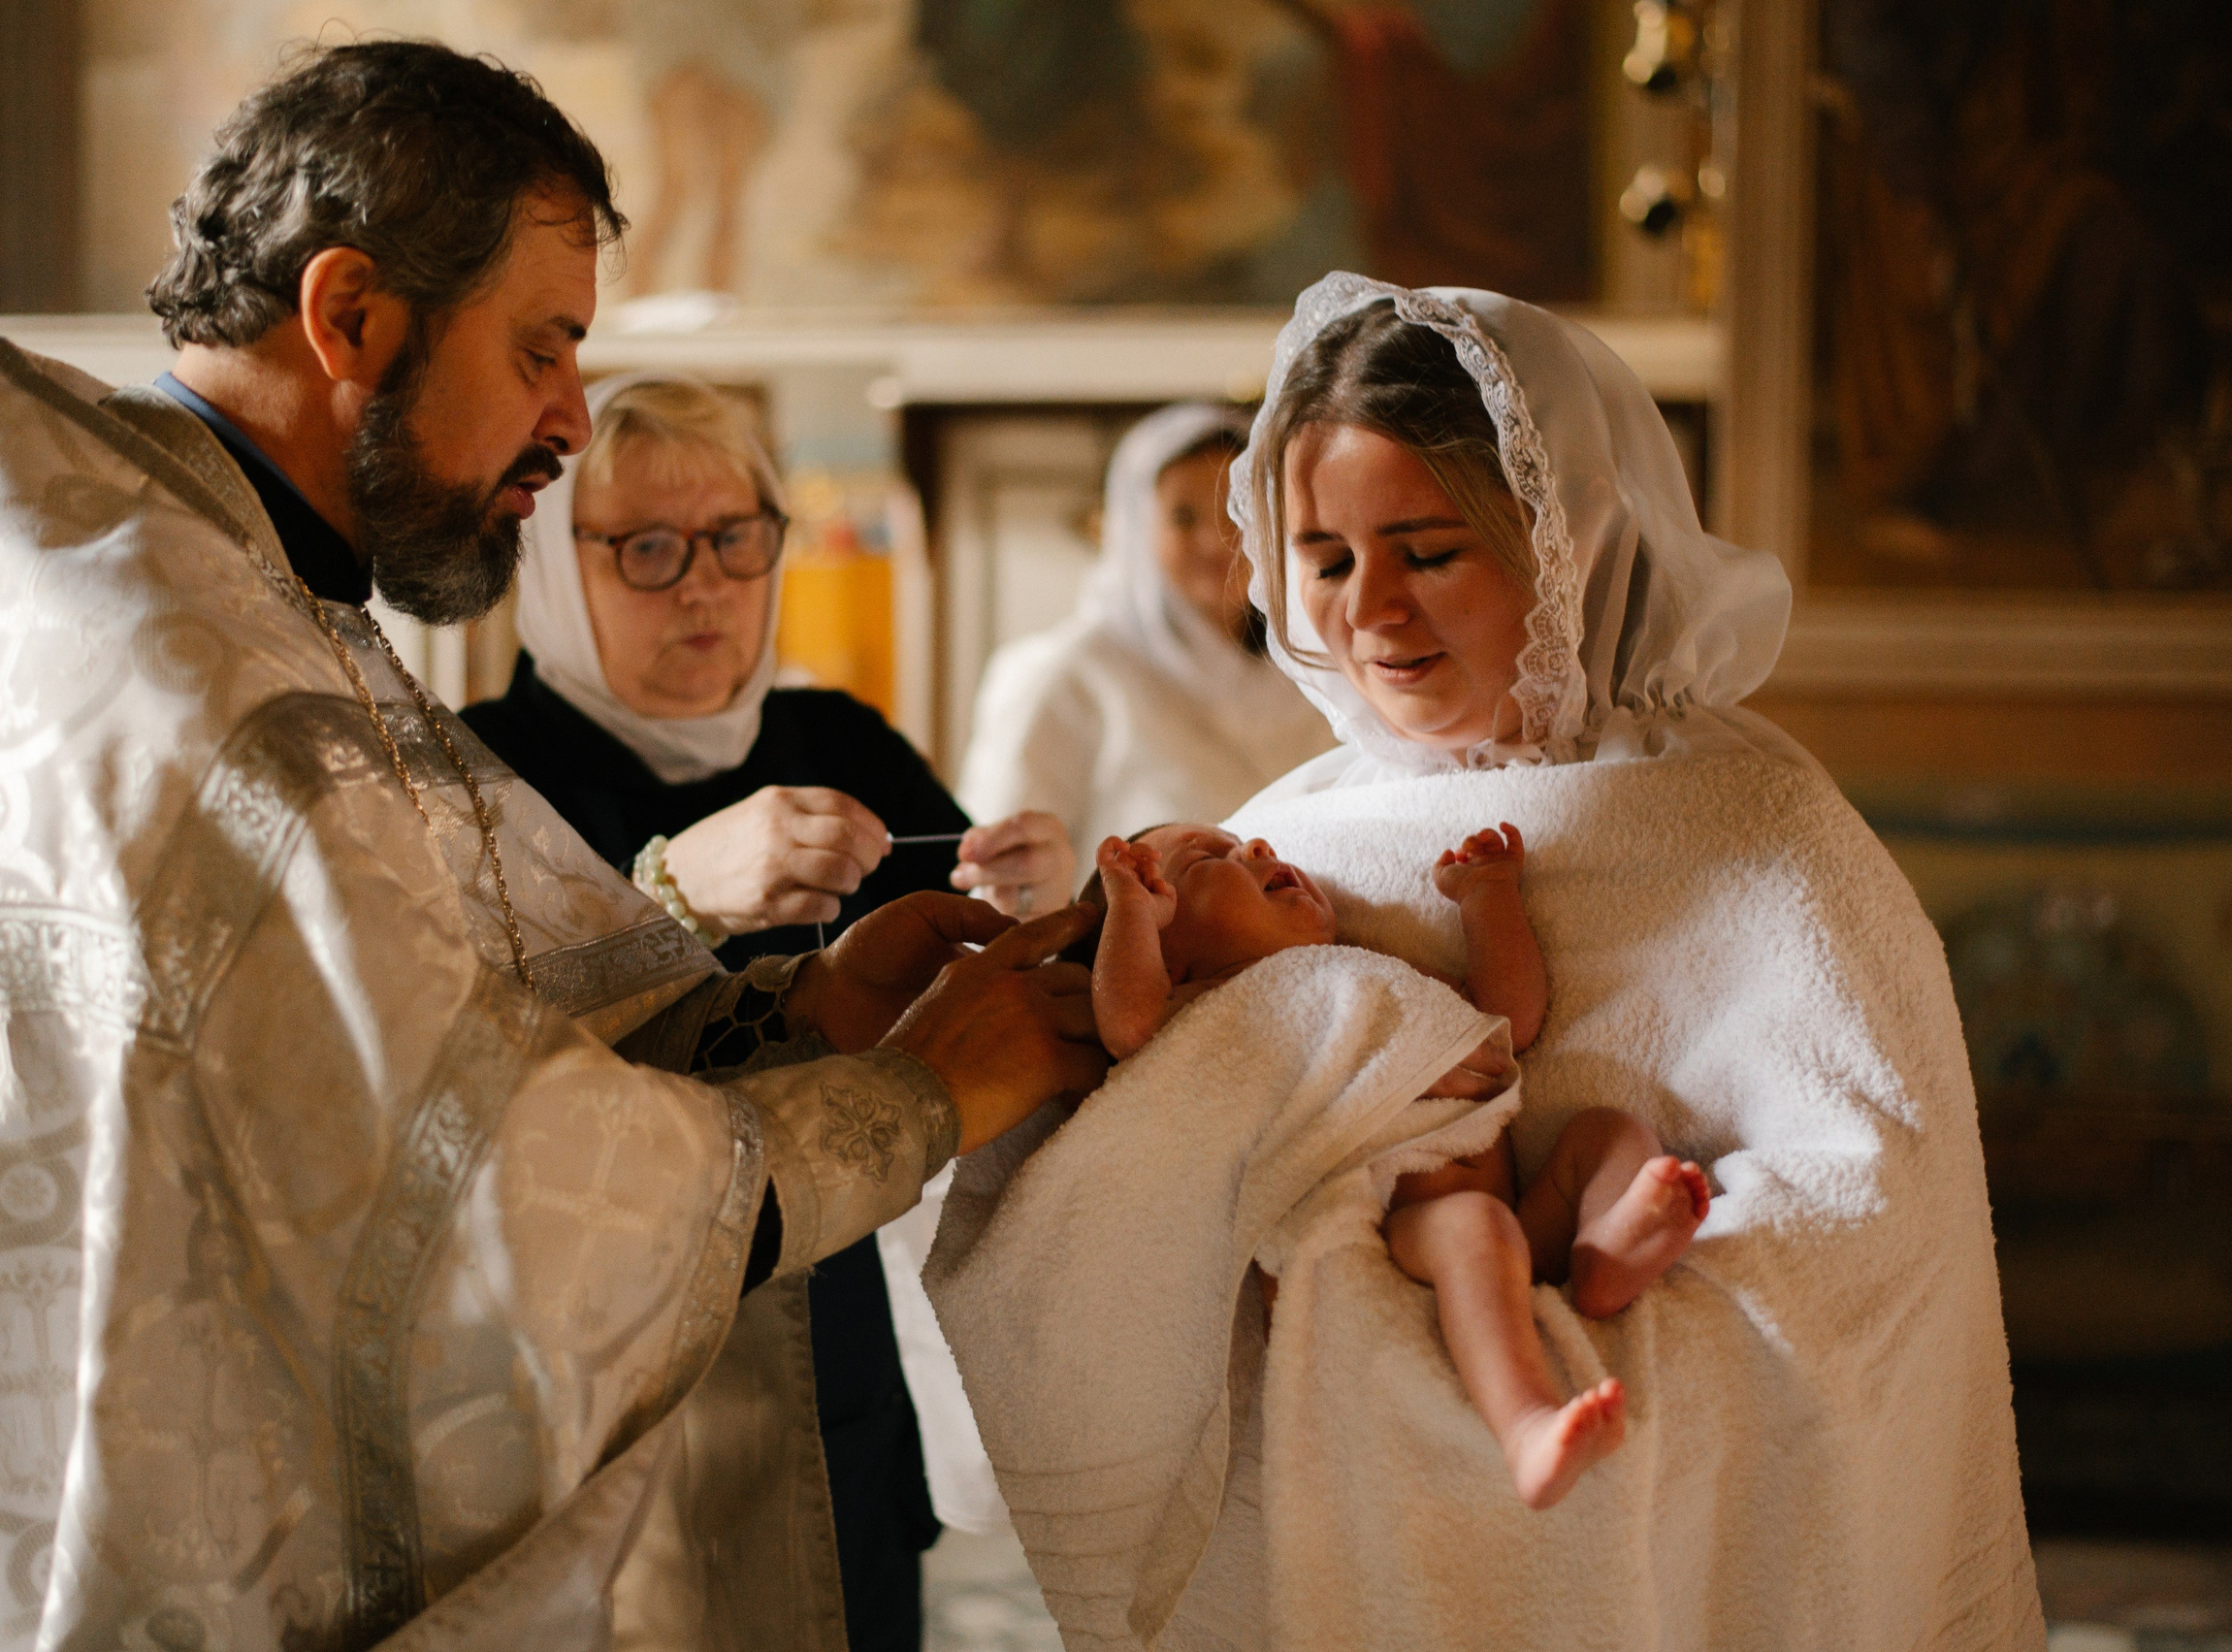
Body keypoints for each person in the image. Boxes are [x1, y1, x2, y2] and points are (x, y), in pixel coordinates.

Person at [0, 43, 1104, 1652]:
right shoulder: (191, 671)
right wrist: (926, 1089)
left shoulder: (214, 593)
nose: (570, 418)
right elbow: (496, 1219)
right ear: (350, 315)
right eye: (543, 348)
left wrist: (802, 1021)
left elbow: (411, 1052)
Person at [1204, 275, 2041, 1642]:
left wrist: (1624, 1338)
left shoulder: (1750, 823)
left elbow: (1876, 1201)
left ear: (1564, 542)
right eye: (1330, 555)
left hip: (1669, 1473)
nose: (1373, 610)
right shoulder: (1291, 835)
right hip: (1362, 1458)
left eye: (1427, 548)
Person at [458, 373, 1073, 1651]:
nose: (704, 585)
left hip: (829, 1313)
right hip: (599, 1374)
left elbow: (963, 960)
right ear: (553, 563)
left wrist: (1031, 896)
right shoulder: (475, 769)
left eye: (738, 538)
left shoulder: (831, 734)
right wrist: (672, 891)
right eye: (647, 548)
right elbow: (458, 1063)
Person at [1087, 819, 1709, 1511]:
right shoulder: (1212, 1009)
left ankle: (1603, 1252)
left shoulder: (1374, 970)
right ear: (1170, 955)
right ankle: (1528, 1424)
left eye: (1250, 840)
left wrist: (1487, 898)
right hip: (1405, 1235)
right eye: (1207, 858)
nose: (1257, 848)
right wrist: (1129, 911)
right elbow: (1130, 1026)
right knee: (1474, 1224)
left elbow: (1510, 1015)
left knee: (1608, 1133)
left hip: (1519, 1221)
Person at [958, 403, 1333, 879]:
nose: (1217, 540)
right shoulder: (1067, 673)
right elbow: (1000, 868)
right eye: (1183, 516)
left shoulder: (1308, 672)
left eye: (1237, 510)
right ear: (1136, 528)